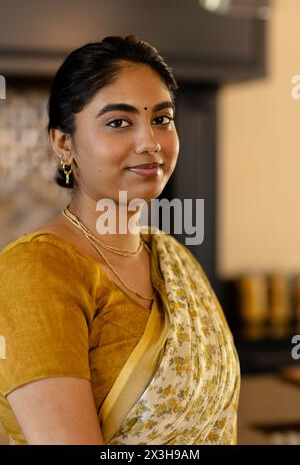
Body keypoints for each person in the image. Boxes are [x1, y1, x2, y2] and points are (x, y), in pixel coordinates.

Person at [0, 35, 240, 445]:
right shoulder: (38, 271)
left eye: (162, 119)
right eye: (118, 122)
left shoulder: (173, 260)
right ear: (63, 143)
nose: (150, 142)